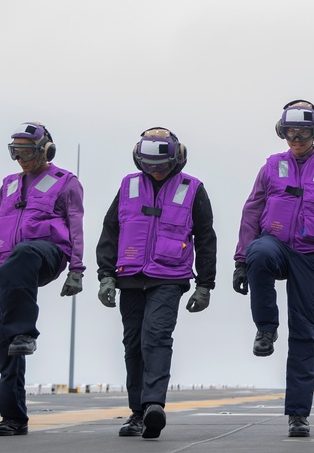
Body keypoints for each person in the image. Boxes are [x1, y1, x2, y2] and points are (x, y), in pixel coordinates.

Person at [232, 100, 314, 438]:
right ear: (282, 132)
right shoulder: (271, 167)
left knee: (304, 332)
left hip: (312, 253)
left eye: (304, 132)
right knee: (259, 253)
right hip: (276, 245)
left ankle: (298, 415)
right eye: (290, 131)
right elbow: (251, 211)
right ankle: (266, 329)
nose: (297, 138)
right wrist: (241, 260)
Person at [94, 128, 217, 439]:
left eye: (161, 166)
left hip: (169, 277)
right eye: (149, 165)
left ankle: (152, 407)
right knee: (133, 342)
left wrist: (205, 285)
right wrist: (105, 275)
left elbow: (205, 239)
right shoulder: (128, 186)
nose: (156, 171)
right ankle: (136, 413)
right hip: (130, 276)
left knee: (156, 336)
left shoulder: (193, 189)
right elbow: (110, 231)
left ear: (177, 159)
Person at [0, 122, 85, 437]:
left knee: (25, 252)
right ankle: (14, 418)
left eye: (27, 151)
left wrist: (76, 269)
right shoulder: (8, 185)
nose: (21, 158)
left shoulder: (65, 182)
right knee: (3, 346)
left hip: (46, 253)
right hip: (8, 268)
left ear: (45, 149)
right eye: (15, 152)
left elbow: (75, 224)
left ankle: (25, 332)